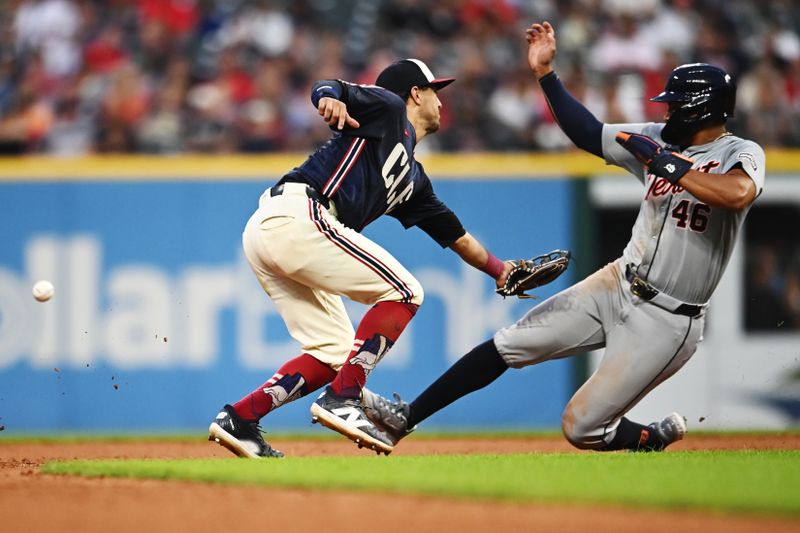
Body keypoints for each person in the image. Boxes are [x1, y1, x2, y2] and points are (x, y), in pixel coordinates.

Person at [362, 21, 766, 453]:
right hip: (618, 283)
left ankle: (650, 438)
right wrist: (546, 76)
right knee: (509, 343)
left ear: (699, 109)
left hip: (669, 318)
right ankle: (403, 420)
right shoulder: (655, 139)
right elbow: (587, 132)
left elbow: (737, 194)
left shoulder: (738, 153)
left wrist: (671, 167)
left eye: (674, 105)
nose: (666, 112)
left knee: (580, 427)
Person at [208, 59, 515, 457]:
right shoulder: (388, 108)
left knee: (334, 352)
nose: (441, 100)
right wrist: (328, 100)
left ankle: (241, 419)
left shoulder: (414, 181)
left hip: (276, 229)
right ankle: (343, 398)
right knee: (405, 292)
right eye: (434, 90)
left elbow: (457, 237)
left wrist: (500, 269)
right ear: (416, 93)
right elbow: (329, 84)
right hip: (299, 215)